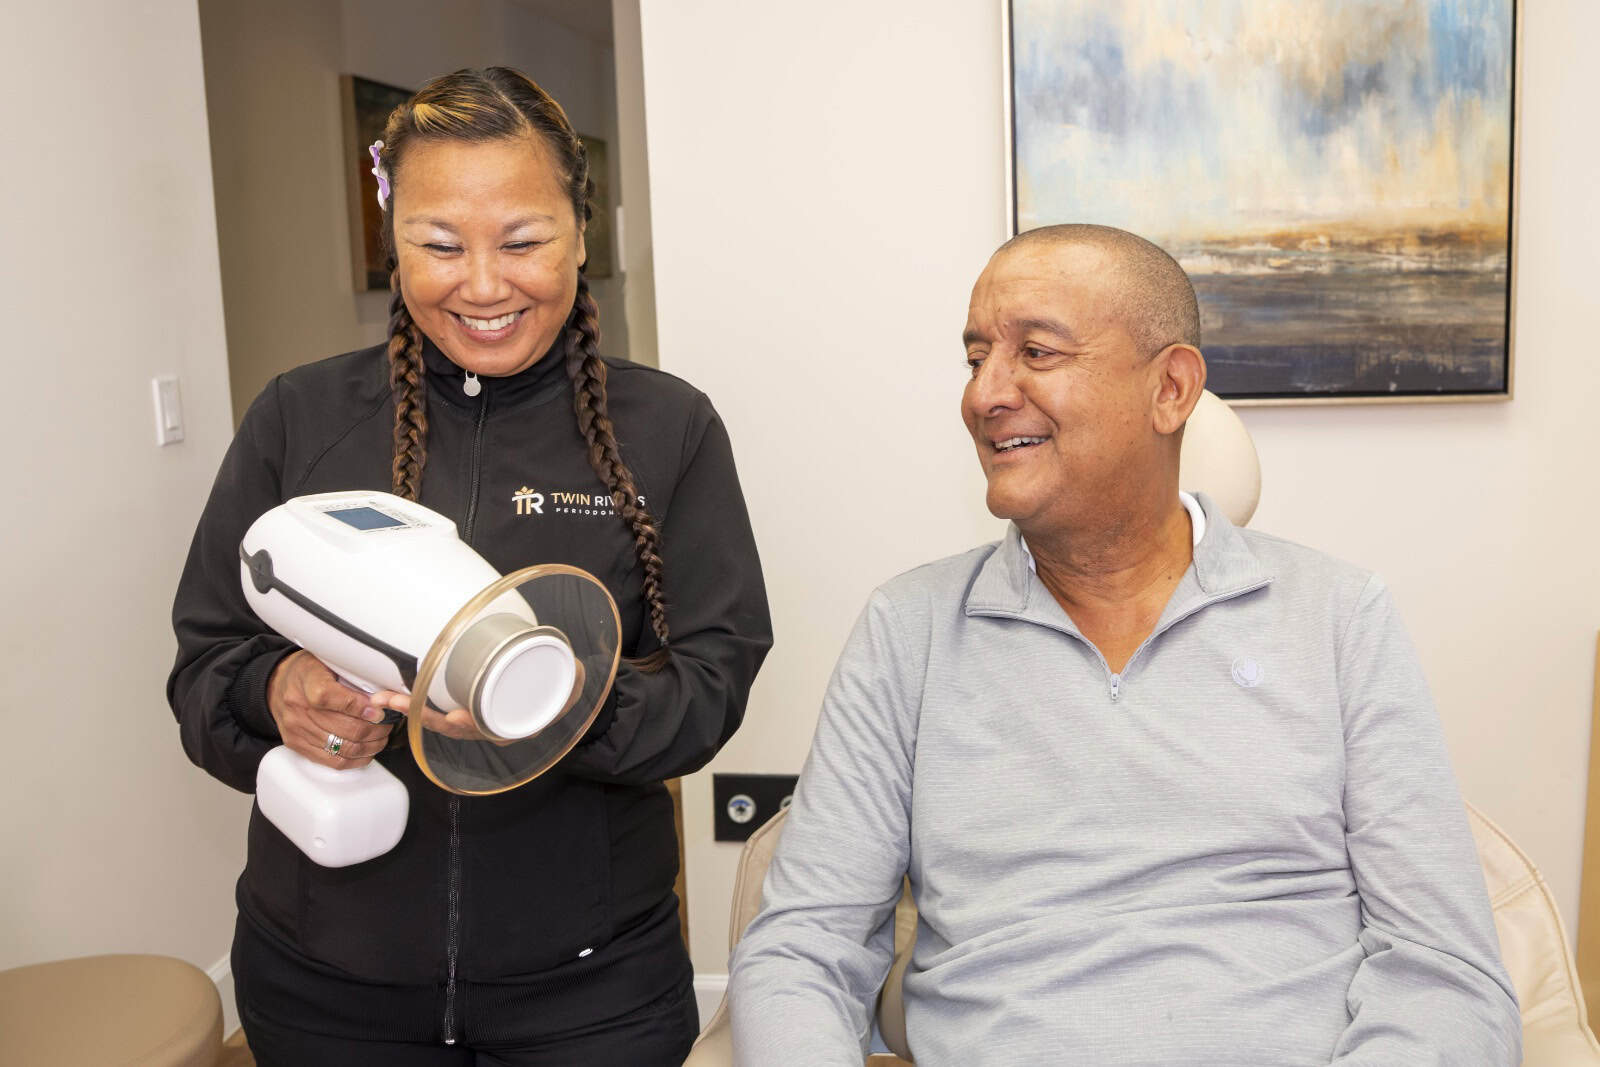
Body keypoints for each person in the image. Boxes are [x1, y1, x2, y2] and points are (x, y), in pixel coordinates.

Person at [728, 225, 1519, 1065]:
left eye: (1035, 351)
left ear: (1171, 390)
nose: (984, 393)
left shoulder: (1337, 617)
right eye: (974, 359)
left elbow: (1445, 969)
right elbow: (801, 950)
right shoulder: (910, 630)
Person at [169, 67, 771, 1064]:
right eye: (438, 244)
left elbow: (711, 687)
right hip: (325, 985)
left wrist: (550, 706)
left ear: (580, 230)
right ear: (392, 235)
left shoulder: (667, 429)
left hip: (591, 992)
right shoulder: (300, 418)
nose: (483, 284)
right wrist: (278, 689)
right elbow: (199, 670)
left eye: (524, 240)